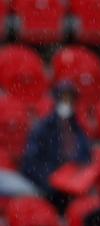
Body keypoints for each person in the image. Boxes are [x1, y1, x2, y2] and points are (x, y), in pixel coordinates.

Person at [20, 83, 92, 211]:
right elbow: (30, 161)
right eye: (64, 98)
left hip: (74, 188)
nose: (67, 103)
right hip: (48, 189)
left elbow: (86, 157)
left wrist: (75, 174)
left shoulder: (78, 128)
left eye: (70, 100)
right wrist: (50, 178)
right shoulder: (43, 128)